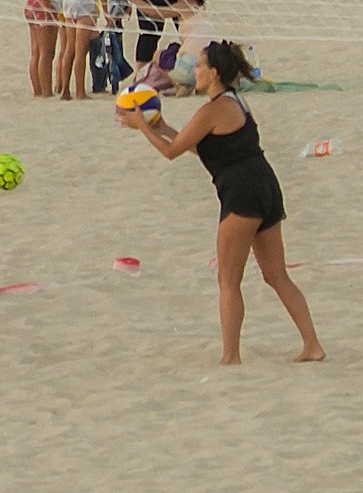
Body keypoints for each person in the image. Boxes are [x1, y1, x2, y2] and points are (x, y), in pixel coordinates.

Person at [119, 39, 323, 365]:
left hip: (242, 194)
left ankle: (230, 356)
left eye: (199, 65)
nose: (195, 71)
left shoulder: (212, 110)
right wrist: (164, 127)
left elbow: (171, 153)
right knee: (276, 275)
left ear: (213, 72)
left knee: (228, 280)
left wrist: (141, 124)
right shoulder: (234, 102)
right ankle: (313, 345)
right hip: (265, 186)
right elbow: (206, 148)